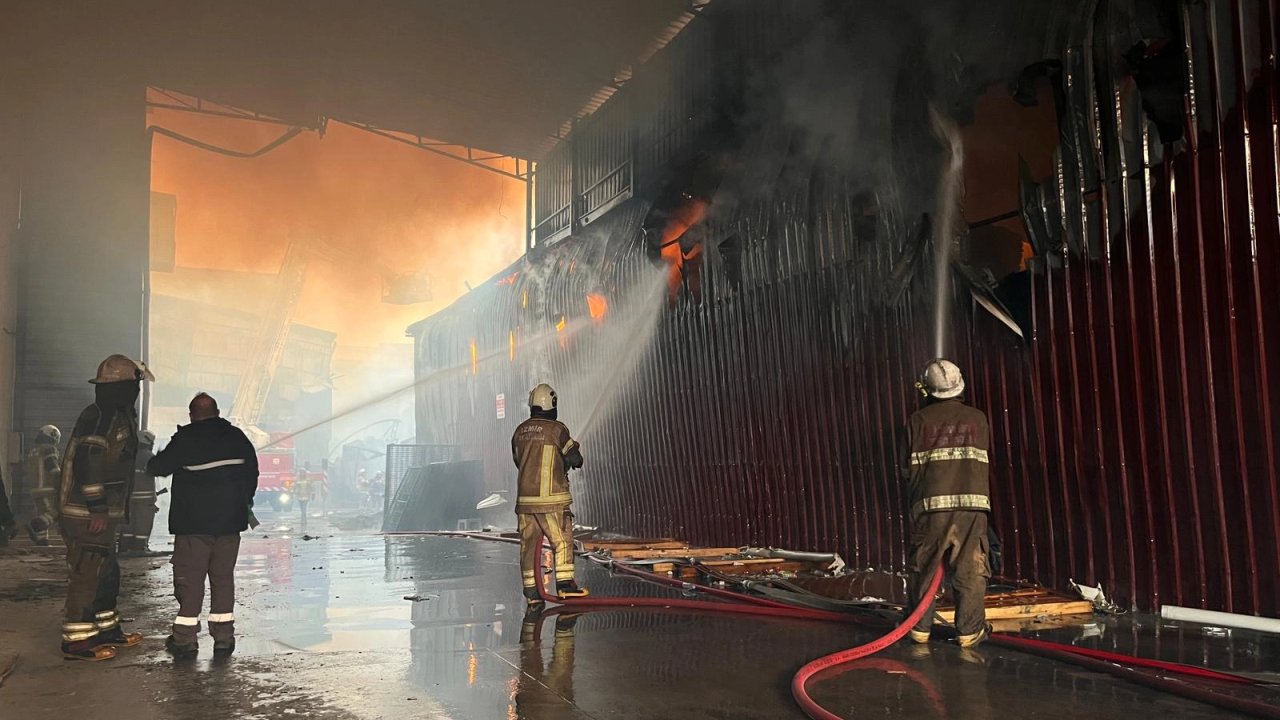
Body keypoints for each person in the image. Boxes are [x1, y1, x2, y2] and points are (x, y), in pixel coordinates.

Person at [146, 393, 258, 658]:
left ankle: (185, 640)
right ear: (218, 412)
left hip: (193, 526)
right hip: (230, 524)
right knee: (222, 579)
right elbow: (252, 473)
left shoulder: (186, 439)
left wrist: (152, 457)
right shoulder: (237, 437)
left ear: (191, 415)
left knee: (190, 581)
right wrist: (242, 503)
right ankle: (223, 639)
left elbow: (158, 468)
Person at [58, 354, 152, 661]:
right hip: (85, 513)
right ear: (124, 386)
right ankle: (77, 641)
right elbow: (89, 461)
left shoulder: (117, 414)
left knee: (106, 572)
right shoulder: (99, 416)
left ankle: (106, 629)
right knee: (88, 571)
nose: (137, 391)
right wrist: (97, 507)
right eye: (134, 385)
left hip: (100, 515)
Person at [902, 359, 993, 648]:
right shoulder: (978, 418)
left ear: (926, 390)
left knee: (925, 566)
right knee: (971, 569)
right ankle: (969, 631)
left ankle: (919, 628)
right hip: (972, 507)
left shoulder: (917, 421)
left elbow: (906, 469)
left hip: (930, 508)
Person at [512, 383, 586, 603]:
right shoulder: (557, 430)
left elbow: (518, 461)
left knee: (528, 546)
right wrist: (574, 450)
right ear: (552, 404)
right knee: (562, 542)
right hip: (552, 502)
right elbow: (576, 460)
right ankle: (565, 585)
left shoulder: (519, 431)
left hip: (525, 503)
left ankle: (531, 592)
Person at [118, 430, 158, 555]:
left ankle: (124, 547)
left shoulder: (127, 455)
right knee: (143, 524)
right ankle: (139, 548)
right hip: (144, 500)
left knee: (128, 523)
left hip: (127, 497)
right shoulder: (148, 456)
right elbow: (158, 470)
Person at [25, 425, 62, 546]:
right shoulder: (49, 449)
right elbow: (53, 468)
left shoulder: (33, 451)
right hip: (48, 488)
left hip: (34, 489)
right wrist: (62, 482)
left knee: (43, 513)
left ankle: (42, 541)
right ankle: (35, 524)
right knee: (56, 512)